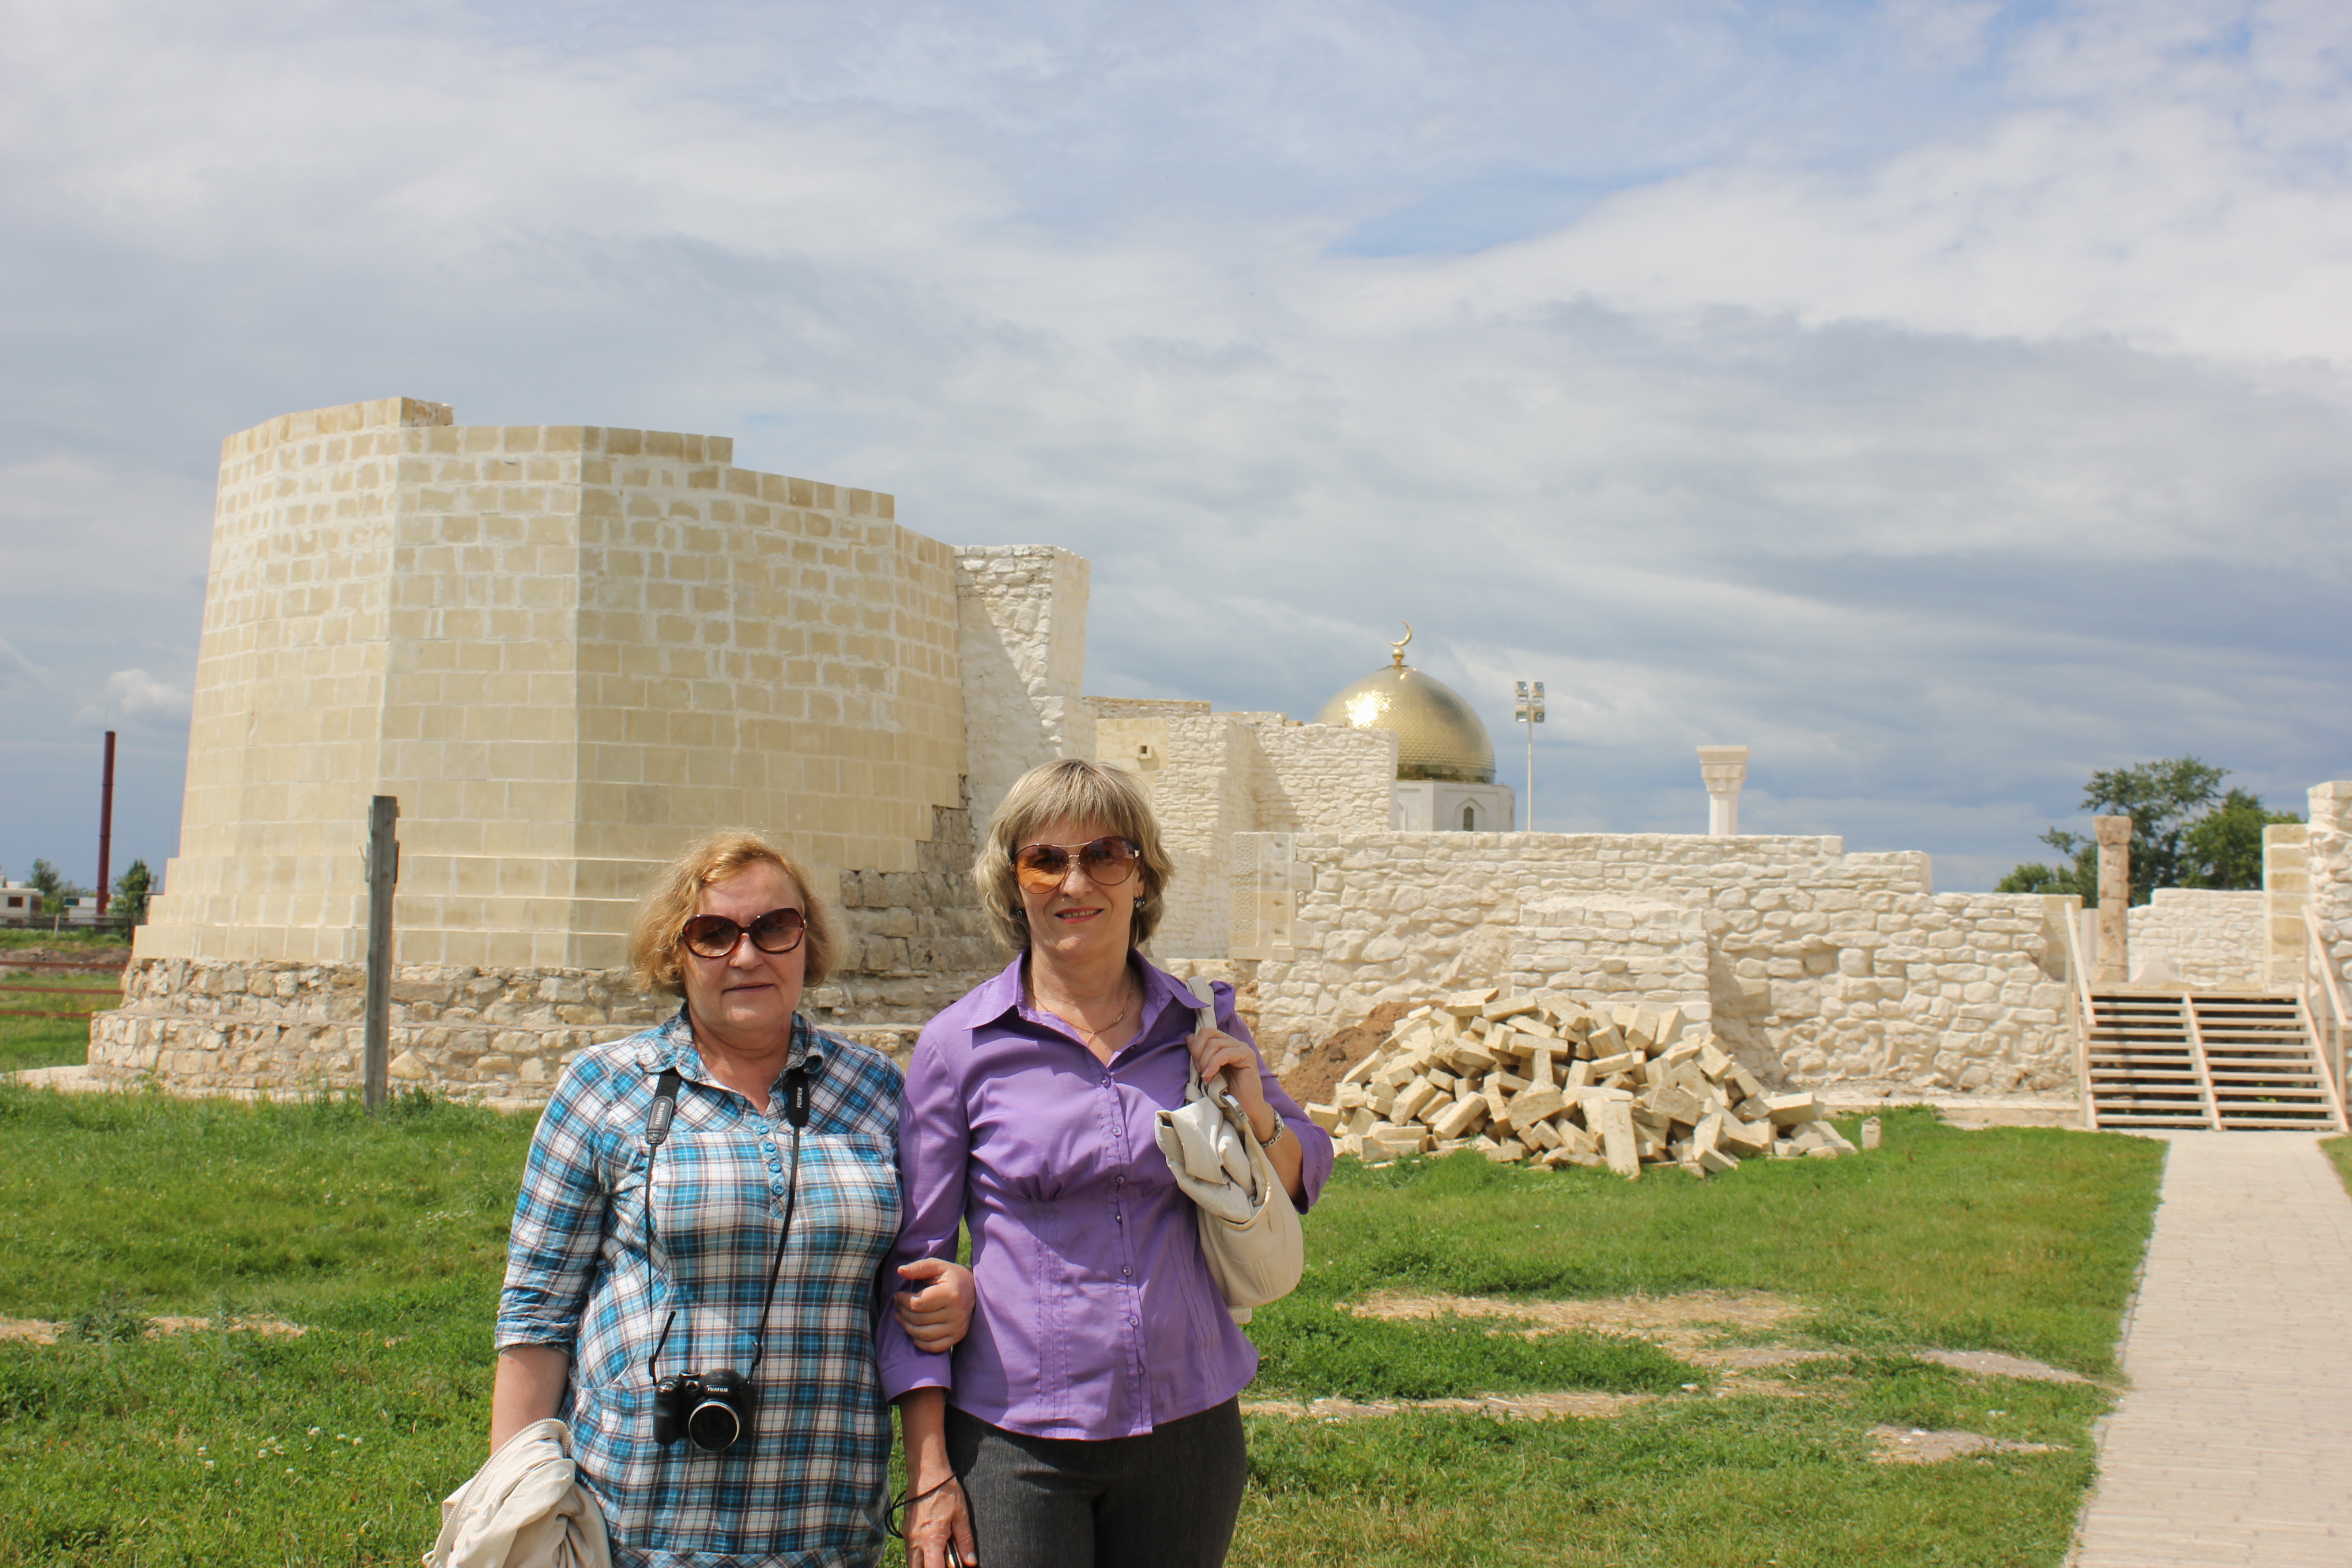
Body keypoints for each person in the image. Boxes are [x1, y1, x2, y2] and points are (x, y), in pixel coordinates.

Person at [882, 760, 1336, 1568]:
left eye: (1105, 855)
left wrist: (1259, 1114)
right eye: (1044, 860)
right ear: (1013, 882)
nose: (1075, 882)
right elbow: (917, 1269)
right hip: (1017, 1435)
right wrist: (928, 1473)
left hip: (1189, 1425)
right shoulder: (958, 1048)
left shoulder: (1200, 1022)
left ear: (1143, 876)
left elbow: (1305, 1174)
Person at [493, 830, 977, 1566]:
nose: (747, 956)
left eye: (775, 927)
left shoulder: (875, 1090)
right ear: (675, 953)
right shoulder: (604, 1087)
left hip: (825, 1526)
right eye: (714, 934)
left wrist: (954, 1294)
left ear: (808, 942)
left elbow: (905, 1298)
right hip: (634, 1527)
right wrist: (512, 1512)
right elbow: (537, 1315)